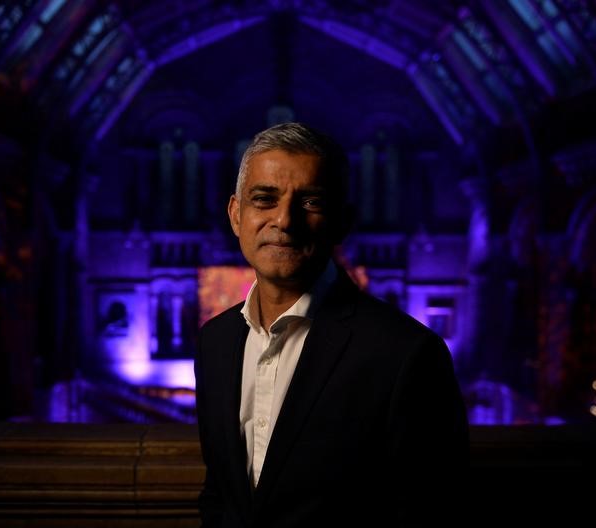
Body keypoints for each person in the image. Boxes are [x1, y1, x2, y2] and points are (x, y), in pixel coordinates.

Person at [194, 122, 468, 527]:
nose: (284, 220)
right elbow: (221, 496)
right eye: (264, 199)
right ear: (236, 215)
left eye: (310, 202)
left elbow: (432, 512)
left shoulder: (406, 355)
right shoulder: (214, 343)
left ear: (342, 221)